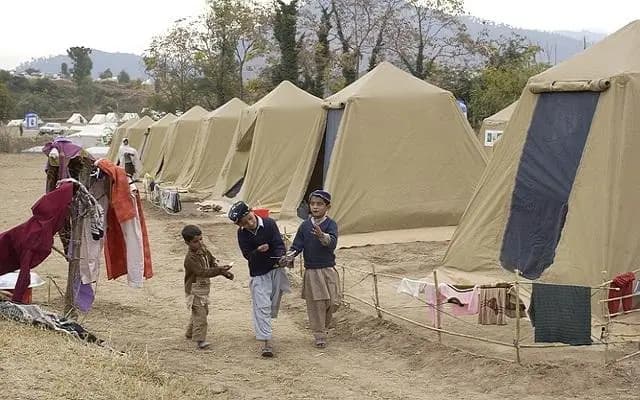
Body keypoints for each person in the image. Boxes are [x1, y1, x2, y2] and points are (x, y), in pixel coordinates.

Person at [228, 201, 290, 357]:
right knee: (262, 306)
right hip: (258, 273)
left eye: (250, 218)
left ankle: (263, 330)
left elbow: (278, 244)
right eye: (244, 223)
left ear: (252, 212)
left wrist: (282, 256)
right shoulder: (242, 234)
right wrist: (257, 250)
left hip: (276, 270)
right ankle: (266, 342)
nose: (250, 223)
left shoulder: (269, 224)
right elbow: (247, 255)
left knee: (272, 304)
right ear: (239, 225)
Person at [280, 190, 340, 348]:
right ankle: (319, 334)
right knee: (316, 304)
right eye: (312, 204)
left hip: (328, 269)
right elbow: (297, 245)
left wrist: (322, 236)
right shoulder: (305, 226)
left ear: (328, 207)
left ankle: (324, 327)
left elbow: (332, 242)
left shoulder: (331, 224)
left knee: (332, 302)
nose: (315, 207)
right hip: (312, 271)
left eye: (319, 204)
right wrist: (290, 256)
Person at [182, 224, 234, 350]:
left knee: (202, 312)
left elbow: (211, 262)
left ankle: (190, 332)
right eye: (195, 241)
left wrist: (223, 271)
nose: (199, 243)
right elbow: (202, 272)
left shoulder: (204, 250)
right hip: (194, 290)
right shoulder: (190, 259)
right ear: (187, 243)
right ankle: (200, 340)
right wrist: (219, 270)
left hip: (203, 288)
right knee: (200, 315)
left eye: (201, 239)